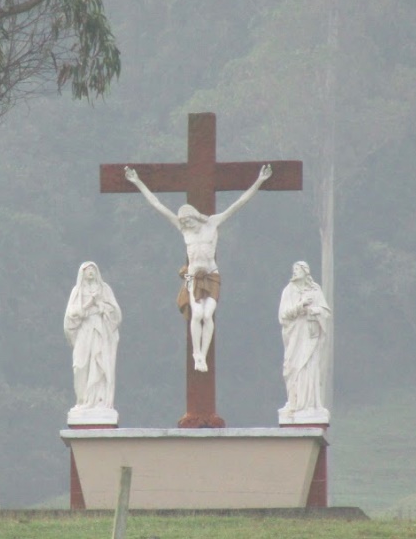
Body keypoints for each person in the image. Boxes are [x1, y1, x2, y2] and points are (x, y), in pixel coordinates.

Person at [125, 163, 272, 372]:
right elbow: (158, 205)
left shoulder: (212, 224)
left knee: (207, 314)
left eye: (188, 221)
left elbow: (238, 203)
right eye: (183, 222)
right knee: (196, 315)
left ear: (194, 217)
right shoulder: (184, 230)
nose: (186, 224)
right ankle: (197, 355)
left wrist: (259, 181)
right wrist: (138, 182)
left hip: (212, 276)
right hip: (192, 278)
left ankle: (203, 352)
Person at [64, 262, 121, 411]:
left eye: (93, 269)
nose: (90, 272)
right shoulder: (77, 291)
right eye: (87, 269)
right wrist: (90, 303)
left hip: (100, 329)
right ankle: (83, 400)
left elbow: (115, 312)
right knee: (80, 365)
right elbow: (72, 314)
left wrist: (102, 306)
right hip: (84, 329)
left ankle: (99, 400)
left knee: (100, 362)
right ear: (82, 273)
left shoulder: (104, 289)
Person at [278, 261, 331, 423]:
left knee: (309, 366)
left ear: (305, 272)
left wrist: (315, 310)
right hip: (294, 335)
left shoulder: (315, 290)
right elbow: (283, 315)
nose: (294, 272)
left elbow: (326, 312)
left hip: (310, 335)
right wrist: (301, 305)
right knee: (292, 366)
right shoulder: (289, 291)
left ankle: (310, 404)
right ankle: (295, 402)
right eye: (293, 269)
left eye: (297, 269)